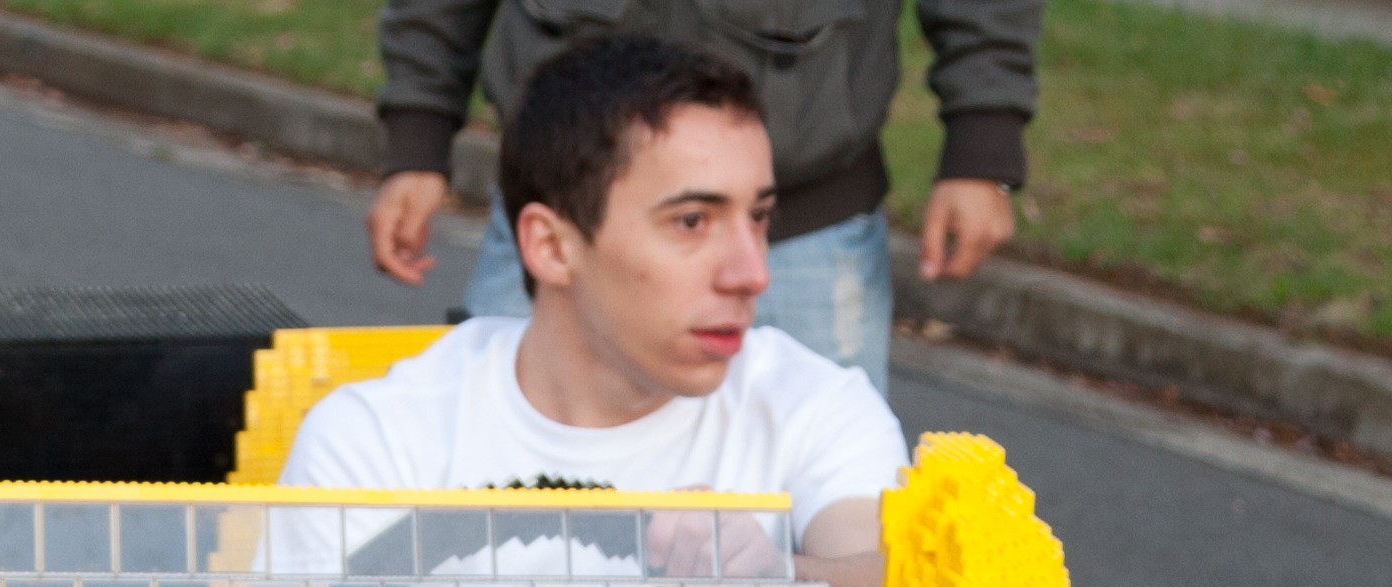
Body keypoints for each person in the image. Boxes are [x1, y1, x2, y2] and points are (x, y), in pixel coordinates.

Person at [283, 35, 906, 587]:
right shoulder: (376, 437)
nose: (752, 274)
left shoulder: (815, 403)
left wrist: (776, 579)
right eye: (692, 222)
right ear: (552, 247)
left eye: (759, 217)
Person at [365, 0, 1032, 393]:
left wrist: (983, 143)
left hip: (803, 227)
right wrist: (418, 134)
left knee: (816, 529)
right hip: (568, 211)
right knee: (494, 507)